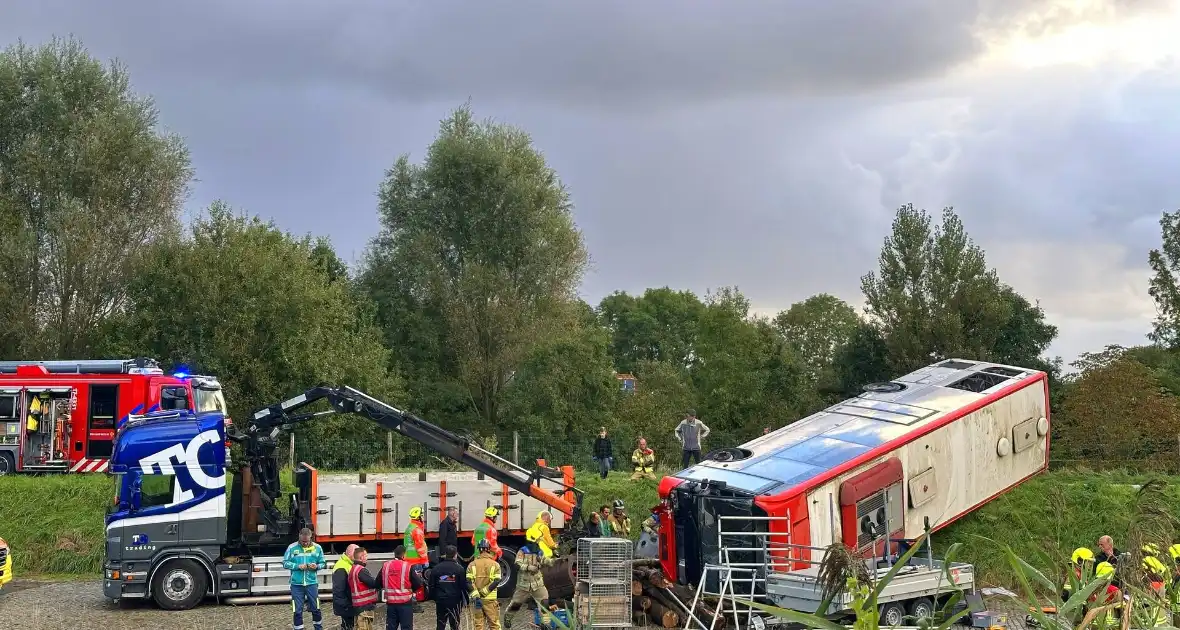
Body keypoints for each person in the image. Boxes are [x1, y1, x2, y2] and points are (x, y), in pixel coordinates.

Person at [504, 530, 554, 630]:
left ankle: (546, 624)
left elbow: (544, 560)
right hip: (524, 584)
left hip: (538, 583)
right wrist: (528, 567)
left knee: (545, 602)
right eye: (538, 540)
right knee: (516, 604)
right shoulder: (523, 551)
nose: (539, 542)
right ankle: (507, 619)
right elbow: (517, 564)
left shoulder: (539, 551)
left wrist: (550, 561)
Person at [283, 527, 326, 630]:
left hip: (312, 583)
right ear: (299, 537)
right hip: (296, 584)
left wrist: (316, 566)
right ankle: (298, 628)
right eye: (303, 541)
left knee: (316, 608)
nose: (305, 543)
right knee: (297, 610)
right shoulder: (291, 547)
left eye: (307, 541)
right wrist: (297, 566)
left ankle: (318, 627)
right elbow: (285, 563)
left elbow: (323, 563)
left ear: (311, 537)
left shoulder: (318, 548)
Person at [379, 545, 425, 630]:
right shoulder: (408, 566)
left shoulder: (386, 565)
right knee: (406, 627)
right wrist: (411, 590)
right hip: (405, 603)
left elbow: (378, 582)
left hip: (391, 603)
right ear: (404, 555)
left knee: (391, 628)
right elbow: (418, 583)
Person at [428, 545, 467, 630]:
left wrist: (435, 598)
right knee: (455, 624)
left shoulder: (436, 568)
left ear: (445, 554)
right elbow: (463, 586)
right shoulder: (459, 569)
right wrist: (465, 601)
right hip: (454, 601)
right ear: (455, 555)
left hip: (441, 600)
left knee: (441, 624)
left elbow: (431, 585)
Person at [466, 538, 502, 630]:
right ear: (489, 549)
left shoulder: (472, 565)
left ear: (478, 549)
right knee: (494, 625)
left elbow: (468, 582)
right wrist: (484, 593)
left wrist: (477, 596)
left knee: (478, 626)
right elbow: (497, 581)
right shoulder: (495, 565)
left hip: (477, 601)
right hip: (490, 600)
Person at [348, 547, 381, 630]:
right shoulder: (361, 570)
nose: (367, 558)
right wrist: (381, 575)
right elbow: (373, 584)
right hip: (364, 607)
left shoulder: (353, 569)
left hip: (358, 606)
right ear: (361, 557)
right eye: (366, 556)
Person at [404, 506, 430, 609]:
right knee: (417, 582)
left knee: (410, 581)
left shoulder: (410, 527)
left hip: (409, 560)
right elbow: (420, 547)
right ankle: (415, 603)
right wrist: (425, 560)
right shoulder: (417, 530)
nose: (423, 517)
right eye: (422, 515)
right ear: (418, 517)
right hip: (416, 560)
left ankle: (411, 600)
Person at [333, 544, 360, 630]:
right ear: (349, 554)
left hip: (348, 604)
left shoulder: (349, 563)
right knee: (348, 626)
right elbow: (339, 590)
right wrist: (346, 606)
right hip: (346, 605)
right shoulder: (341, 566)